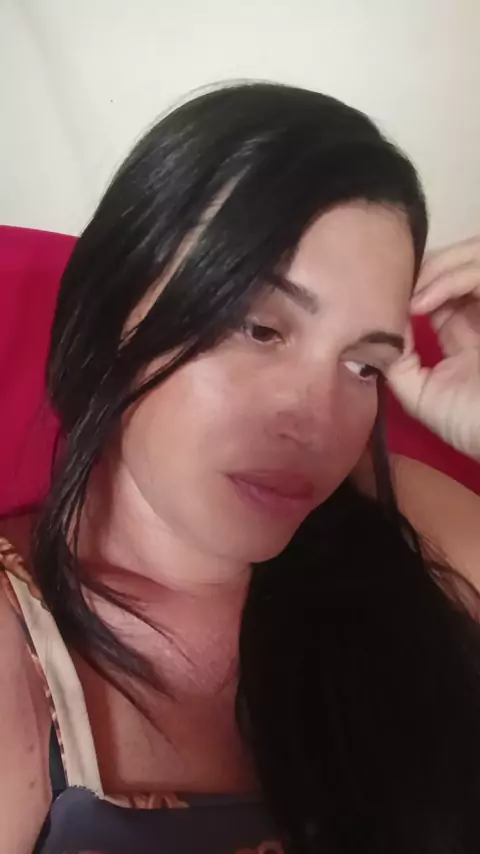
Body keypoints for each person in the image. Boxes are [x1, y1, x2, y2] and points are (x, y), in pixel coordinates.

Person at [1, 82, 480, 854]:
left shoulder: (405, 520)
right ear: (114, 306)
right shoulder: (17, 640)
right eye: (260, 329)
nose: (316, 421)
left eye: (363, 364)